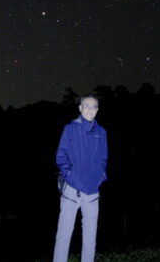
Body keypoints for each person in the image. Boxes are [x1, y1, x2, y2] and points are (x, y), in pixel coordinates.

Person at [52, 94, 108, 262]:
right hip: (72, 191)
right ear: (80, 108)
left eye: (93, 106)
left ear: (97, 110)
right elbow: (61, 156)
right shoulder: (70, 128)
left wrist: (100, 177)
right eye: (86, 105)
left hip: (92, 193)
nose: (90, 109)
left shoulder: (102, 132)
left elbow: (103, 158)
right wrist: (70, 176)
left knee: (90, 236)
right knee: (64, 234)